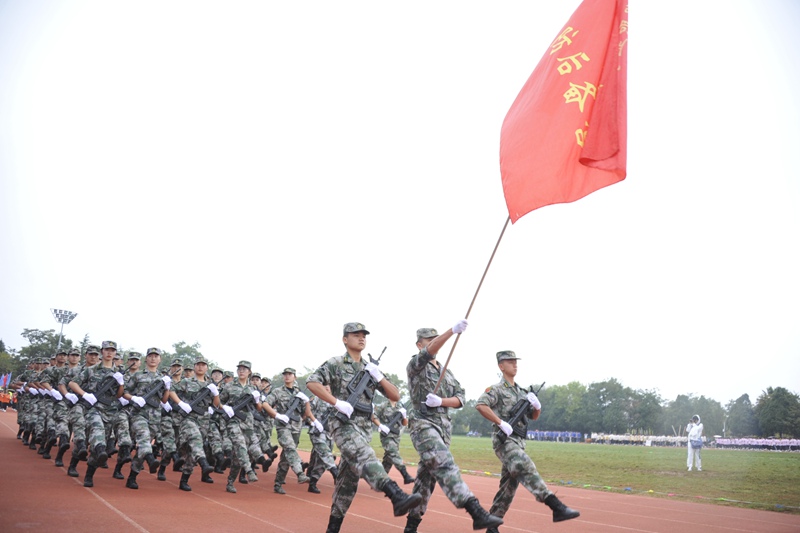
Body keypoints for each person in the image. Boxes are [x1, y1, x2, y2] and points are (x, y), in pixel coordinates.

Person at [306, 322, 422, 533]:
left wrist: (379, 376)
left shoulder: (371, 368)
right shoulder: (336, 363)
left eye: (363, 335)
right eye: (355, 335)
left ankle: (332, 528)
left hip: (363, 427)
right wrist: (336, 402)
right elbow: (312, 383)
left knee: (347, 483)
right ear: (345, 339)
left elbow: (395, 395)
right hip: (342, 424)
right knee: (365, 454)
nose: (361, 338)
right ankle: (395, 495)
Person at [404, 323, 502, 533]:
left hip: (443, 429)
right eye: (428, 340)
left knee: (425, 481)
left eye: (434, 338)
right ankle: (474, 510)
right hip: (423, 425)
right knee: (444, 463)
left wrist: (441, 401)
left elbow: (461, 398)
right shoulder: (416, 365)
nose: (432, 343)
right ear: (419, 344)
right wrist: (451, 331)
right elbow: (428, 351)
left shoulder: (446, 372)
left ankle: (411, 527)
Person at [475, 350, 580, 529]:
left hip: (519, 441)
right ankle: (555, 505)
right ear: (501, 366)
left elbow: (534, 416)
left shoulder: (522, 392)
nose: (515, 364)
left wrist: (537, 405)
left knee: (508, 487)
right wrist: (500, 422)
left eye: (516, 362)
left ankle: (492, 526)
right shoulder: (496, 389)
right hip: (504, 441)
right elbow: (480, 405)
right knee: (525, 465)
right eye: (510, 362)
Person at [68, 340, 126, 487]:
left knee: (95, 446)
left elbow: (119, 395)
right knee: (96, 430)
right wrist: (85, 394)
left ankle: (89, 474)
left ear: (115, 353)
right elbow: (72, 383)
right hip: (92, 409)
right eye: (107, 350)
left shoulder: (118, 373)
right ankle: (75, 464)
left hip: (110, 411)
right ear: (102, 351)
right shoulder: (91, 370)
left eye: (112, 350)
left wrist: (121, 383)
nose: (109, 353)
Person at [167, 354, 221, 491]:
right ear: (194, 366)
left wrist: (216, 394)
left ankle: (184, 479)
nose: (200, 367)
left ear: (207, 368)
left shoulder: (210, 385)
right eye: (198, 364)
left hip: (203, 420)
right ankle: (204, 464)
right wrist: (180, 403)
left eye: (203, 365)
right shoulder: (187, 382)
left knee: (192, 450)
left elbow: (216, 405)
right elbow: (171, 390)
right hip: (188, 418)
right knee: (196, 440)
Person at [120, 347, 172, 489]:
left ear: (160, 359)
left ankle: (132, 476)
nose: (153, 358)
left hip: (155, 416)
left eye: (156, 356)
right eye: (151, 356)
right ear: (146, 358)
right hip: (139, 414)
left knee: (144, 446)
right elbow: (124, 392)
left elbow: (164, 400)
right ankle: (151, 458)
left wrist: (167, 387)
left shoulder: (163, 378)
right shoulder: (138, 375)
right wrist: (134, 398)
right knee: (144, 439)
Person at [265, 367, 313, 493]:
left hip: (296, 428)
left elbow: (306, 413)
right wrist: (277, 415)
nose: (287, 376)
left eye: (290, 374)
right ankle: (300, 473)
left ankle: (278, 483)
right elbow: (265, 404)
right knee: (290, 448)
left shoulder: (299, 393)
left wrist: (306, 401)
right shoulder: (277, 391)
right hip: (283, 427)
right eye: (285, 374)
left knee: (286, 458)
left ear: (294, 377)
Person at [372, 399, 415, 485]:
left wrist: (404, 415)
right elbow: (373, 416)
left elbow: (404, 423)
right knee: (393, 453)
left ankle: (379, 481)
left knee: (388, 459)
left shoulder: (400, 406)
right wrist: (380, 425)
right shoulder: (383, 405)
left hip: (396, 437)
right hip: (386, 435)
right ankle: (405, 475)